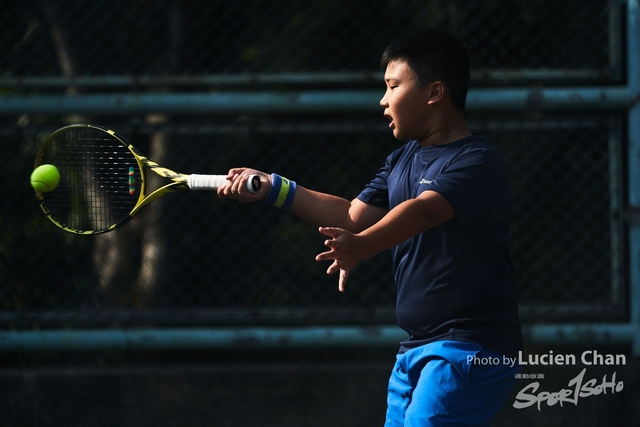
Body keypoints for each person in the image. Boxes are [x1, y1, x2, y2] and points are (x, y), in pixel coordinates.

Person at [218, 29, 523, 427]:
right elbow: (350, 215)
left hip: (470, 346)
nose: (383, 100)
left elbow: (425, 211)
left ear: (434, 93)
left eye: (393, 86)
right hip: (415, 347)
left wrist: (363, 245)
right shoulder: (400, 161)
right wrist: (274, 188)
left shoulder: (477, 161)